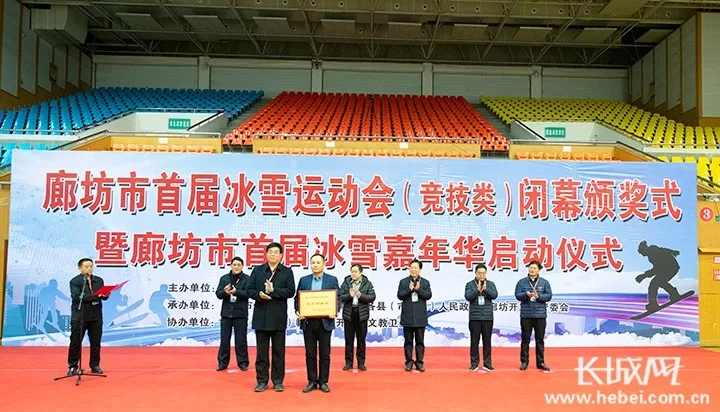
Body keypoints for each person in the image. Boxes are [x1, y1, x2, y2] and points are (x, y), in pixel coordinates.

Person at [246, 242, 296, 392]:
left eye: (276, 252)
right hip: (261, 317)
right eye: (270, 252)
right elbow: (249, 290)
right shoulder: (258, 270)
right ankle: (262, 381)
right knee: (261, 353)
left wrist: (274, 291)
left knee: (278, 353)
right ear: (266, 254)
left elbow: (291, 291)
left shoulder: (287, 271)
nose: (273, 254)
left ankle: (278, 381)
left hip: (278, 318)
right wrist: (259, 295)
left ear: (281, 255)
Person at [294, 254, 340, 393]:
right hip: (308, 322)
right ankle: (312, 381)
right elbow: (297, 299)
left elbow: (338, 298)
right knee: (310, 354)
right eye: (313, 262)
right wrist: (298, 311)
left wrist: (335, 310)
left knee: (325, 354)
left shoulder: (332, 279)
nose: (315, 265)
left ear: (324, 264)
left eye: (318, 262)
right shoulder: (304, 280)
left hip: (325, 322)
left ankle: (323, 381)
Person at [67, 258, 110, 376]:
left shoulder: (98, 280)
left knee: (96, 342)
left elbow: (103, 297)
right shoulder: (75, 281)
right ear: (80, 268)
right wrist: (96, 296)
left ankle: (95, 365)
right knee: (75, 342)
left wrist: (106, 294)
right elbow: (77, 297)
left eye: (91, 266)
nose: (89, 269)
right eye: (86, 267)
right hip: (80, 315)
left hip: (95, 315)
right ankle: (73, 366)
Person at [514, 260, 552, 372]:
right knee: (525, 339)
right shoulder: (521, 282)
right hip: (526, 315)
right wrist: (526, 294)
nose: (532, 270)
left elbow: (549, 296)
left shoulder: (544, 282)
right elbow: (517, 295)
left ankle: (540, 362)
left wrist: (538, 296)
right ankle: (524, 362)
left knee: (540, 340)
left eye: (534, 268)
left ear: (539, 270)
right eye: (530, 268)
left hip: (540, 316)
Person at [215, 256, 250, 372]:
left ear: (242, 266)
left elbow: (248, 294)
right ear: (231, 266)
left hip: (241, 314)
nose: (236, 267)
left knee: (241, 340)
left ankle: (243, 363)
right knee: (224, 340)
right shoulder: (224, 278)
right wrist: (225, 292)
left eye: (239, 265)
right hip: (226, 314)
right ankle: (222, 363)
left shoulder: (247, 279)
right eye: (234, 265)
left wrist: (236, 292)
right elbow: (218, 294)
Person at [339, 264, 376, 371]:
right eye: (352, 272)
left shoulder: (367, 283)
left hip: (361, 315)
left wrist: (361, 296)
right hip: (349, 314)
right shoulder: (346, 283)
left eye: (355, 272)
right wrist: (349, 295)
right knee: (349, 340)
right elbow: (340, 297)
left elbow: (372, 297)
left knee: (361, 340)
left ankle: (361, 363)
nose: (353, 274)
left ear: (361, 272)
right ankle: (348, 363)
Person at [397, 259, 432, 372]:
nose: (413, 270)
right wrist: (409, 289)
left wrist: (419, 289)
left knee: (420, 342)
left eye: (416, 268)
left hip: (420, 317)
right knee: (408, 342)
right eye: (411, 267)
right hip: (407, 317)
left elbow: (428, 295)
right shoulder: (403, 282)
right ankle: (409, 362)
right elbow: (400, 295)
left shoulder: (425, 282)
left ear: (420, 270)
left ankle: (419, 362)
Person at [464, 263, 498, 371]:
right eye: (479, 273)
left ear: (486, 273)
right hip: (475, 318)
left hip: (487, 317)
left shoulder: (491, 284)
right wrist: (477, 290)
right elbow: (468, 297)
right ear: (475, 273)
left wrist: (485, 289)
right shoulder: (470, 284)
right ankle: (474, 363)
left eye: (483, 273)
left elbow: (494, 295)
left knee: (487, 341)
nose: (481, 275)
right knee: (474, 341)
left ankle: (487, 363)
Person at [636, 240, 682, 311]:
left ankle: (653, 304)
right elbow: (656, 268)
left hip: (670, 267)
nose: (642, 255)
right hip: (670, 267)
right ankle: (674, 294)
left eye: (641, 252)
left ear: (644, 249)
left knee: (654, 284)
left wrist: (643, 276)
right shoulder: (651, 254)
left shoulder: (652, 251)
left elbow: (656, 269)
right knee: (660, 282)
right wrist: (672, 252)